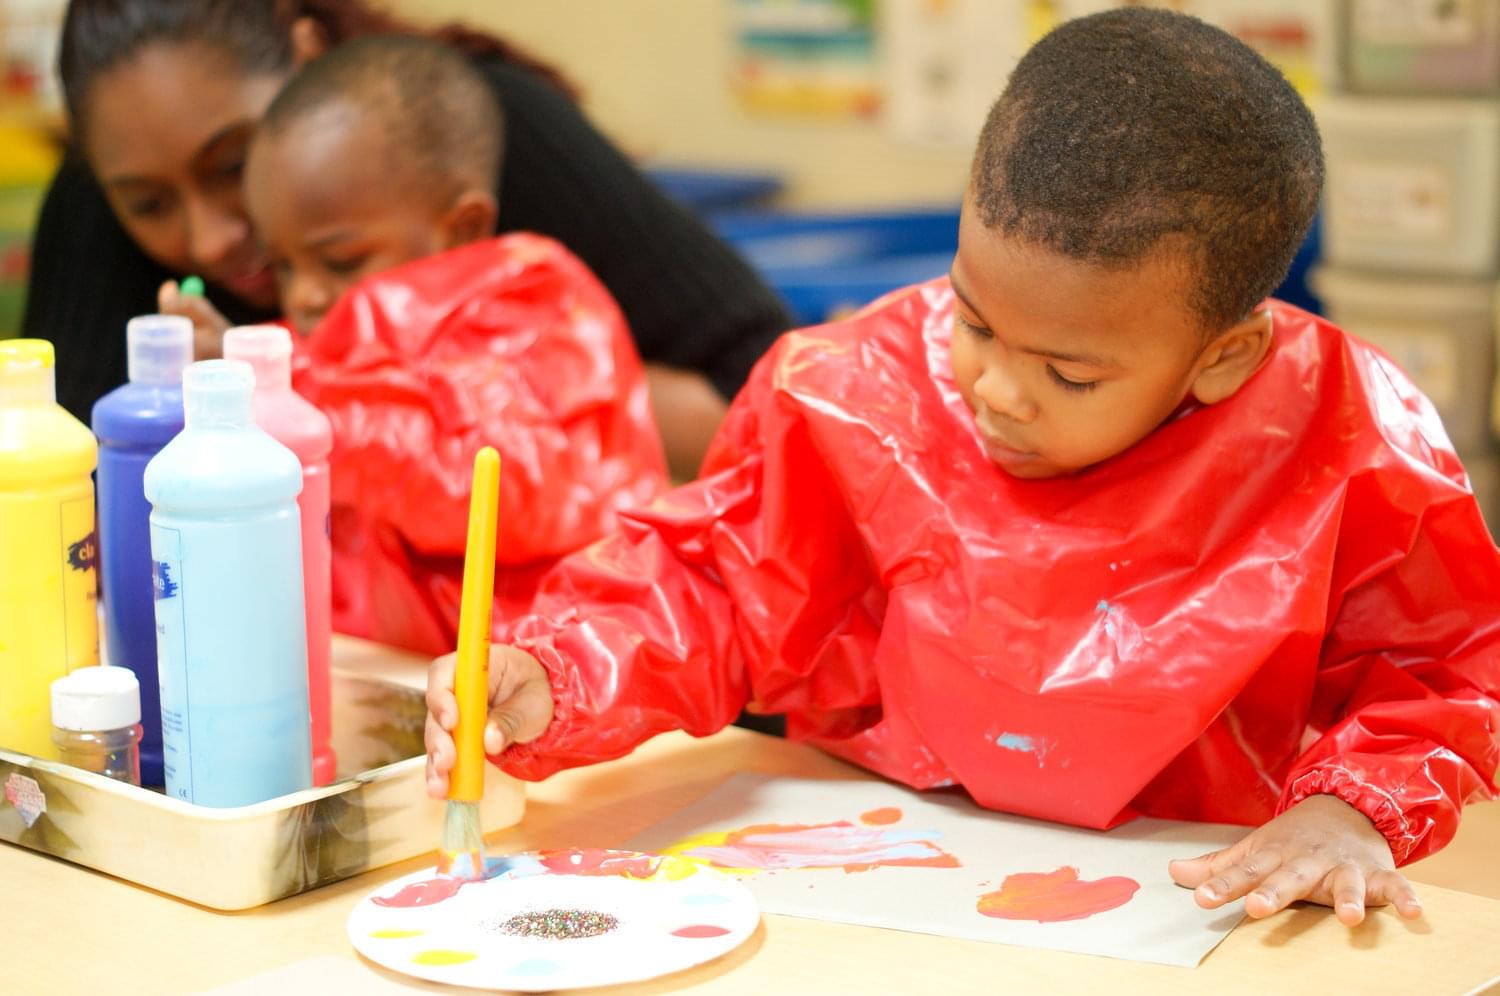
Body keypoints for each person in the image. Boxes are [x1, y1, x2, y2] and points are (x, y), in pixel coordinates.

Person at [423, 9, 1500, 925]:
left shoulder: (1339, 438)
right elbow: (714, 582)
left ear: (1224, 357)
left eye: (1068, 375)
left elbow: (1446, 671)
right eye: (973, 319)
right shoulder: (851, 390)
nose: (995, 389)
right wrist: (562, 672)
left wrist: (1351, 809)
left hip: (1189, 902)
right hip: (884, 872)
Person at [26, 0, 790, 477]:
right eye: (148, 203)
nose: (212, 240)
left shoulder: (472, 135)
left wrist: (512, 389)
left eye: (233, 164)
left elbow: (770, 406)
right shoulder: (98, 196)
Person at [236, 34, 667, 654]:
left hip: (552, 667)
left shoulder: (534, 305)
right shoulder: (321, 350)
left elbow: (497, 489)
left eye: (340, 260)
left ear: (462, 228)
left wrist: (297, 396)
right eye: (280, 266)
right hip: (394, 669)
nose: (304, 294)